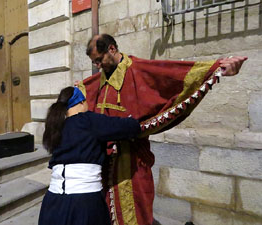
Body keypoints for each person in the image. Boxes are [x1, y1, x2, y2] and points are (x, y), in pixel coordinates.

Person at [77, 33, 248, 225]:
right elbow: (82, 95)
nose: (98, 66)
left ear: (112, 49)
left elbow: (173, 74)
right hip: (104, 166)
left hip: (133, 162)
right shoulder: (97, 83)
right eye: (95, 62)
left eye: (99, 60)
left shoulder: (139, 69)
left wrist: (218, 68)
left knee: (138, 214)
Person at [38, 86, 141, 225]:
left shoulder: (56, 127)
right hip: (84, 203)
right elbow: (131, 126)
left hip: (52, 202)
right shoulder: (89, 120)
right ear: (81, 102)